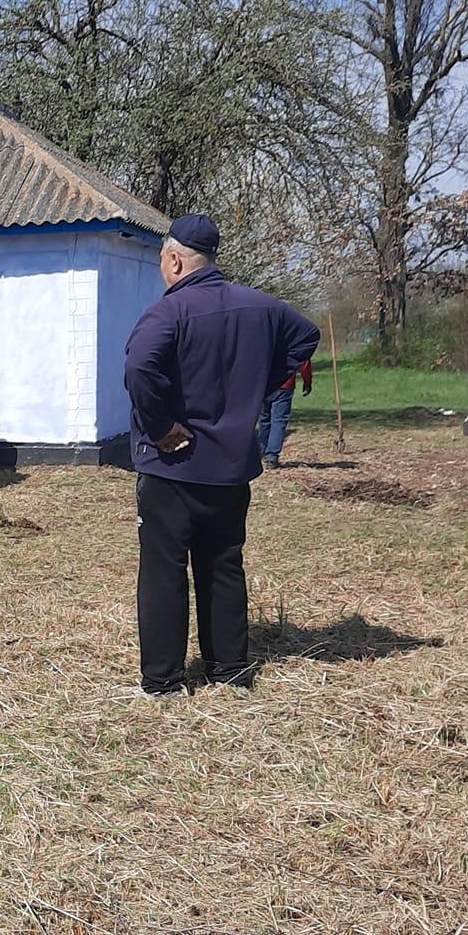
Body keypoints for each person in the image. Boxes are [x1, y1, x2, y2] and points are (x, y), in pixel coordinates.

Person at [124, 213, 319, 695]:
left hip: (172, 464)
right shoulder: (263, 307)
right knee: (224, 564)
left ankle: (164, 679)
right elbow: (305, 337)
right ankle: (228, 668)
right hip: (230, 464)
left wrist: (159, 427)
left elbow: (139, 368)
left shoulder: (168, 312)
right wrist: (255, 389)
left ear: (174, 260)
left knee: (164, 570)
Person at [257, 359, 313, 467]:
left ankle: (262, 451)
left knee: (264, 419)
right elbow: (304, 360)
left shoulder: (262, 347)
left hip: (264, 382)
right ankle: (271, 457)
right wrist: (307, 381)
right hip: (284, 384)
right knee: (278, 421)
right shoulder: (292, 347)